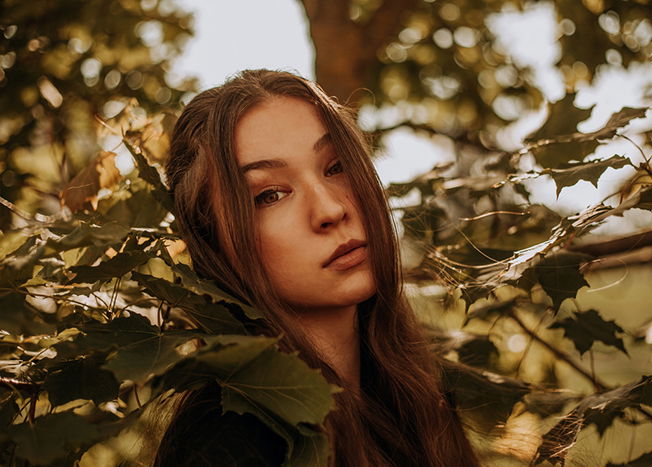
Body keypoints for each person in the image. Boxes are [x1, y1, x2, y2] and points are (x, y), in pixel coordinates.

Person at [155, 69, 480, 466]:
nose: (330, 209)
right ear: (213, 244)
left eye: (336, 167)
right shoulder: (225, 440)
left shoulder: (417, 399)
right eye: (270, 195)